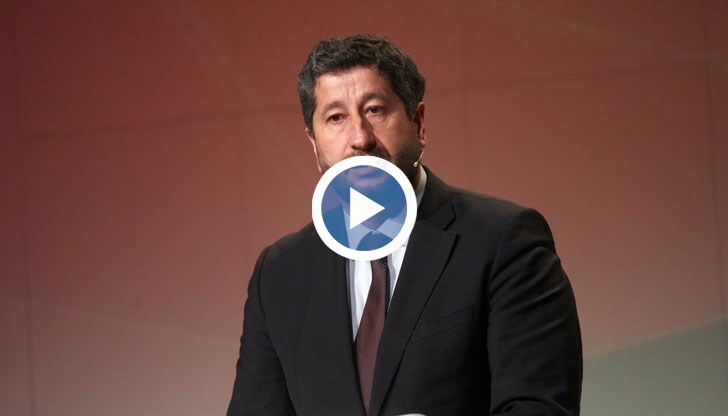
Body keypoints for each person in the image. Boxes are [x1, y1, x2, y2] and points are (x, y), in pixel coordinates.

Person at [227, 34, 582, 416]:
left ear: (418, 122)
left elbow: (540, 408)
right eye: (336, 118)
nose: (360, 138)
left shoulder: (503, 242)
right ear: (314, 145)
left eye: (375, 110)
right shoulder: (280, 273)